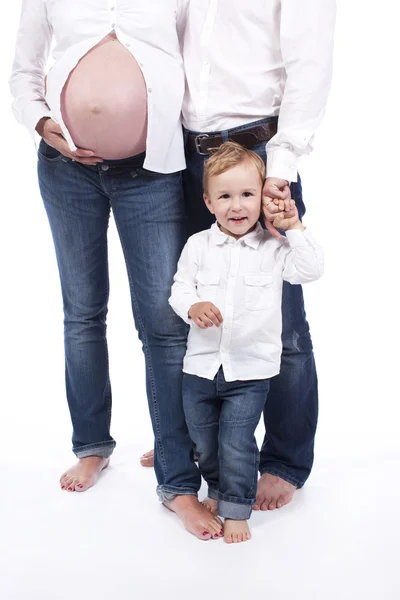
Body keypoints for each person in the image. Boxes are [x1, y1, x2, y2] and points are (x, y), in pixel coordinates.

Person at [9, 0, 223, 541]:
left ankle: (178, 481)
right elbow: (23, 71)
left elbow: (197, 63)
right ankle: (92, 446)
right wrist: (42, 123)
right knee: (82, 313)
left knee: (163, 326)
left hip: (150, 172)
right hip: (64, 171)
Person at [141, 0, 336, 513]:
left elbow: (310, 64)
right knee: (188, 304)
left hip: (256, 152)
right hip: (181, 154)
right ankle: (193, 440)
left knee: (283, 319)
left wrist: (282, 165)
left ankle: (284, 459)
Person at [168, 142, 324, 543]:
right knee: (205, 439)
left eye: (247, 195)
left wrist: (295, 229)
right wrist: (193, 305)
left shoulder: (275, 247)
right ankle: (218, 490)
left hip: (250, 370)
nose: (237, 206)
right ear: (207, 201)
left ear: (262, 197)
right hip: (200, 367)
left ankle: (237, 508)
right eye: (225, 196)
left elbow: (311, 269)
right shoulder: (197, 246)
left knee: (236, 441)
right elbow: (179, 288)